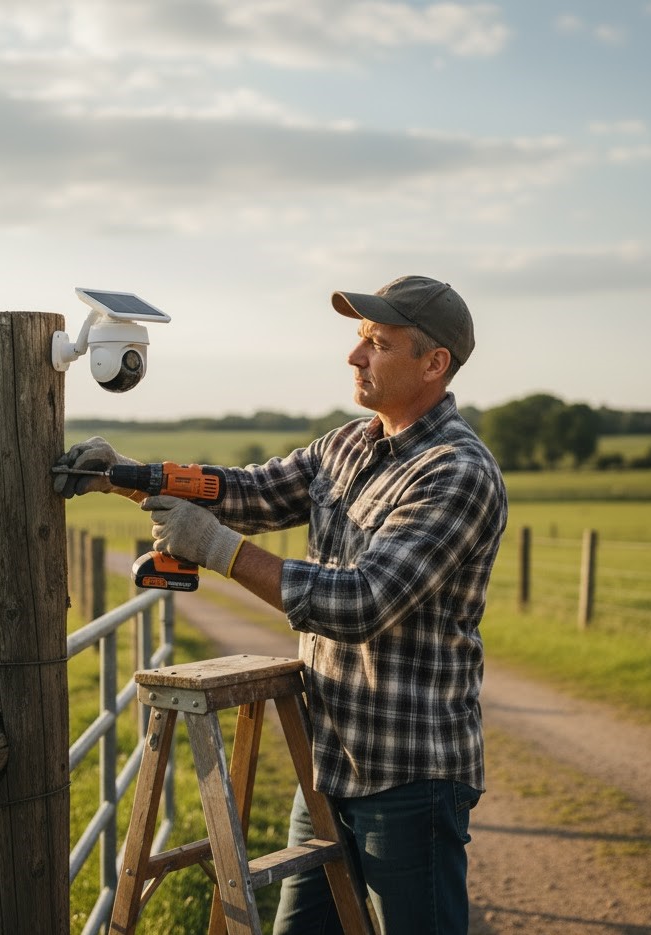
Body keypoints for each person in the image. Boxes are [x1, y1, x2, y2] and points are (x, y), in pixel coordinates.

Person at [54, 274, 508, 934]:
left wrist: (217, 549)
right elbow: (246, 490)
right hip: (325, 762)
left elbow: (360, 603)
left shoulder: (455, 471)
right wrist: (124, 474)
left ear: (433, 363)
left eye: (376, 343)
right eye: (358, 340)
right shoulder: (346, 445)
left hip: (409, 776)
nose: (354, 356)